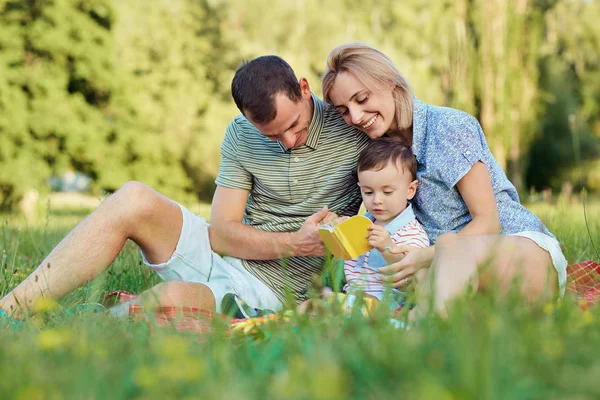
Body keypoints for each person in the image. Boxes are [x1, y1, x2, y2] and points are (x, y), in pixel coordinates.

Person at [0, 55, 371, 319]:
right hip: (221, 255)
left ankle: (86, 323)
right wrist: (294, 242)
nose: (288, 141)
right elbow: (221, 234)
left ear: (304, 89)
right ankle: (11, 310)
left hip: (269, 291)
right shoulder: (241, 133)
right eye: (272, 135)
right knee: (132, 197)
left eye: (295, 126)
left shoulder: (352, 129)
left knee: (173, 298)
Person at [321, 42, 568, 316]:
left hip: (516, 252)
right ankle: (422, 325)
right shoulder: (376, 153)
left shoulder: (448, 127)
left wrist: (426, 256)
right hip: (449, 275)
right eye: (343, 110)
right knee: (424, 280)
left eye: (362, 99)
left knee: (448, 247)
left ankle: (414, 329)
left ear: (390, 84)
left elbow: (488, 221)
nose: (355, 116)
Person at [342, 138, 429, 310]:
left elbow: (410, 279)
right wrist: (336, 229)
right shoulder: (363, 224)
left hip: (385, 306)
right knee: (310, 305)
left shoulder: (412, 233)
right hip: (351, 298)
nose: (377, 200)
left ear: (410, 190)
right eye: (367, 192)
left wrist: (387, 247)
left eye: (387, 192)